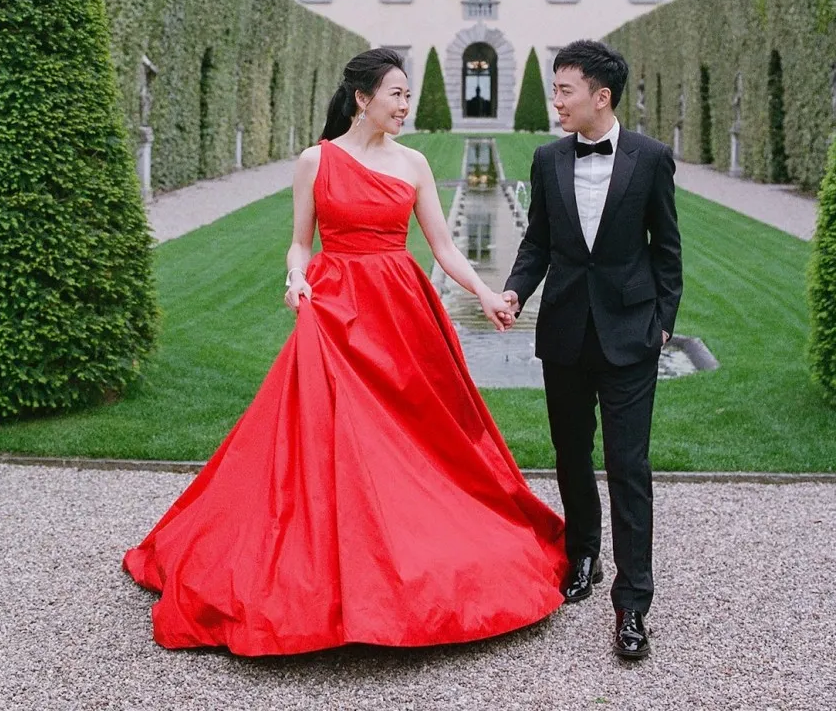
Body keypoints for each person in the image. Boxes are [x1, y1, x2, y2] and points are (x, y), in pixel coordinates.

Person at [124, 48, 566, 655]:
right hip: (334, 307)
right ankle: (338, 564)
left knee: (416, 432)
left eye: (410, 95)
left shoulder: (413, 164)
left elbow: (442, 246)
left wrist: (488, 292)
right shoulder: (315, 160)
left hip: (400, 309)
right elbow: (299, 243)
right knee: (336, 433)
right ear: (362, 99)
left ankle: (407, 547)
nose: (406, 105)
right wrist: (294, 279)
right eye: (397, 95)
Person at [502, 40, 682, 661]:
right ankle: (584, 553)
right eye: (553, 89)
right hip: (565, 334)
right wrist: (515, 293)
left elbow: (667, 251)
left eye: (563, 90)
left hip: (631, 335)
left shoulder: (652, 159)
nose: (556, 100)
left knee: (629, 466)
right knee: (571, 454)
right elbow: (538, 244)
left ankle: (634, 604)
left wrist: (662, 322)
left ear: (600, 97)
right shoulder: (547, 159)